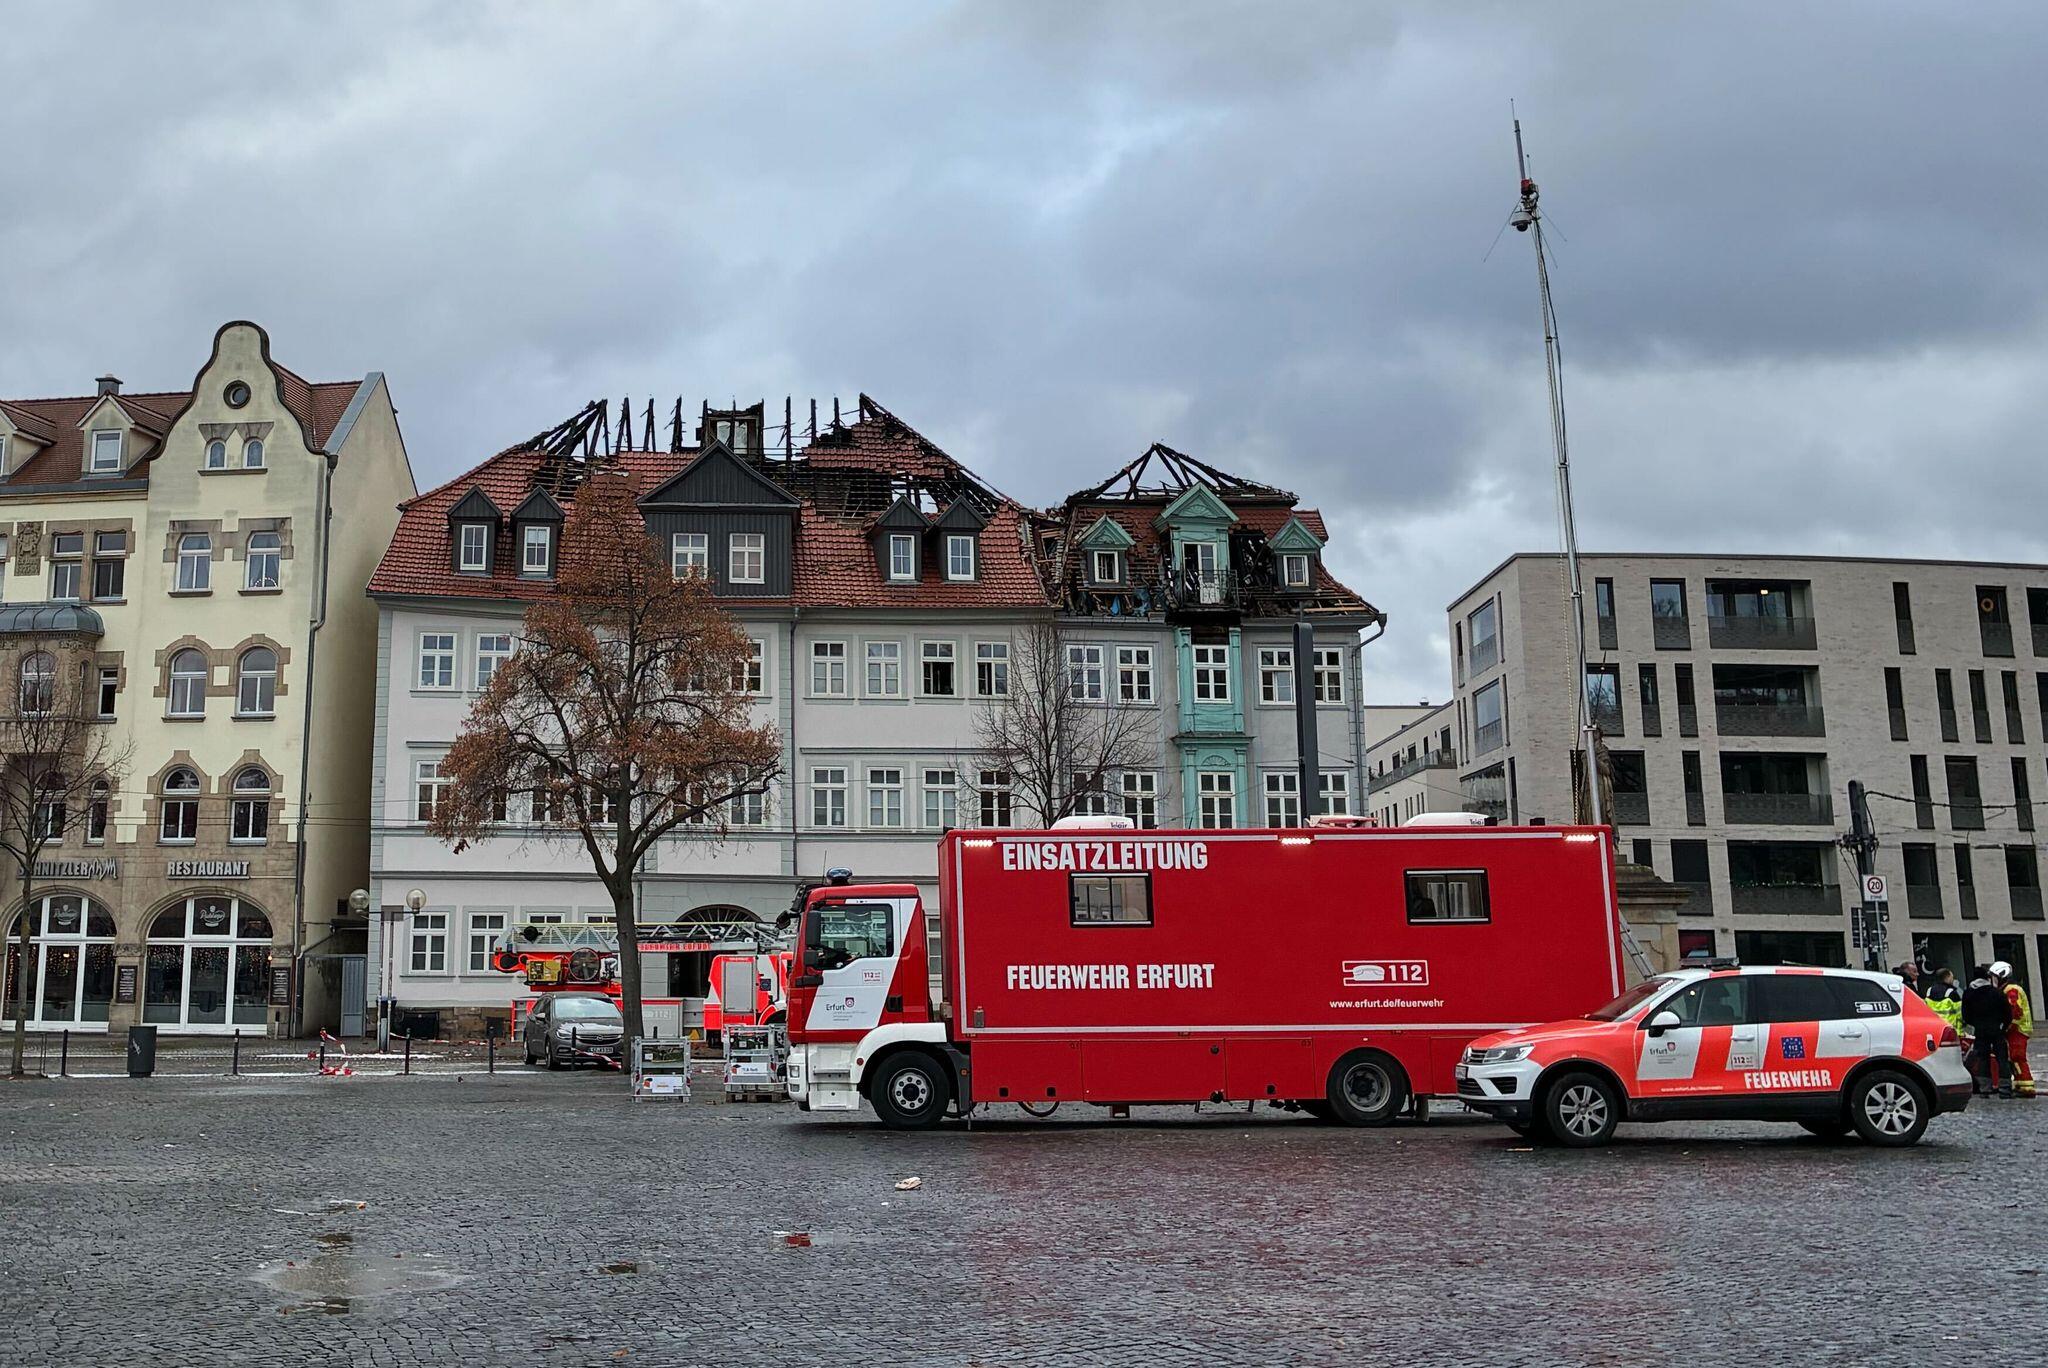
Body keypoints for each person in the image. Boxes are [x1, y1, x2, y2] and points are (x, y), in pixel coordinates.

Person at [1962, 965, 2014, 1098]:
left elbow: (1965, 1015)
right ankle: (2005, 1089)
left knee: (1983, 1059)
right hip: (1997, 1029)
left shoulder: (1969, 993)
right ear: (1987, 978)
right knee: (2002, 1059)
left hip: (1980, 1031)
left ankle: (1985, 1089)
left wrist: (1976, 1024)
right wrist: (2003, 1026)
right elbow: (2008, 1012)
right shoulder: (1996, 992)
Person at [1992, 961, 2035, 1101]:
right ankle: (2020, 1085)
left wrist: (2005, 1026)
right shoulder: (2008, 989)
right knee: (2013, 1058)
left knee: (2017, 1057)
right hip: (2016, 1028)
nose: (1993, 980)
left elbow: (2014, 1010)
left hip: (2017, 1029)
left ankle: (2026, 1087)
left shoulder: (2011, 990)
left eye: (1995, 977)